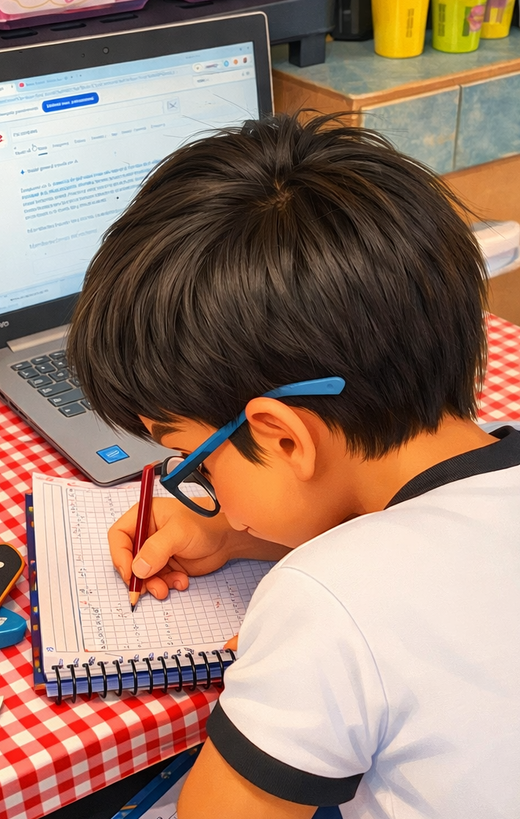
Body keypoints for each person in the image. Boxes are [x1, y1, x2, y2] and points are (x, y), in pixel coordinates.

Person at [66, 112, 520, 818]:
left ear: (282, 438)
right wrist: (241, 535)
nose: (204, 488)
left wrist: (301, 607)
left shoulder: (326, 600)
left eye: (192, 461)